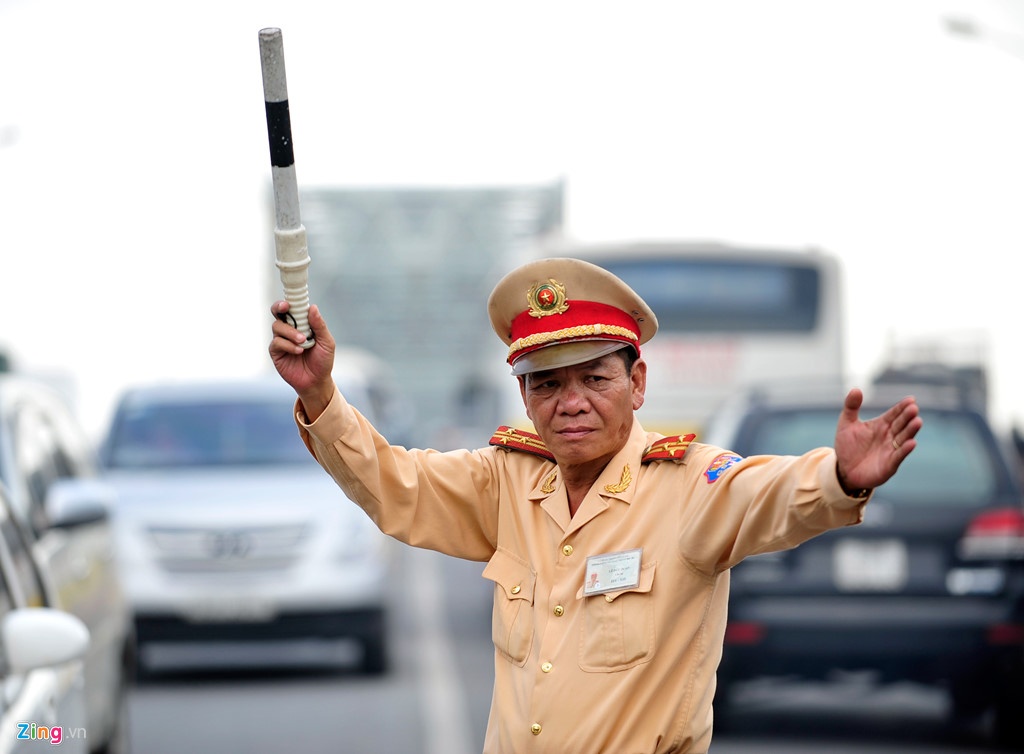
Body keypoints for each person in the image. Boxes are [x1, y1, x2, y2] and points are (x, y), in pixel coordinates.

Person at [269, 257, 922, 754]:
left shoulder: (688, 487)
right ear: (523, 397)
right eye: (547, 384)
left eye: (594, 378)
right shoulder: (506, 483)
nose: (570, 402)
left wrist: (839, 476)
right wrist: (323, 395)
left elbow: (771, 495)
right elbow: (393, 484)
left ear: (637, 383)